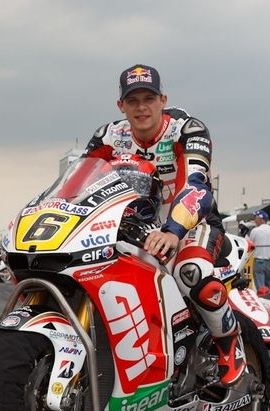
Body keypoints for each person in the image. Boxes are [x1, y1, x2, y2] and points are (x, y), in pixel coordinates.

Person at [84, 64, 244, 386]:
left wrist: (173, 231)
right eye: (133, 101)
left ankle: (230, 345)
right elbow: (81, 181)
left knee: (193, 272)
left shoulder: (188, 129)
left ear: (163, 99)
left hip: (191, 220)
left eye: (149, 98)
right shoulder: (108, 136)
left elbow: (198, 184)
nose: (142, 107)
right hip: (133, 225)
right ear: (121, 106)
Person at [248, 211, 270, 297]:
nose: (255, 221)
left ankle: (263, 304)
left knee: (260, 288)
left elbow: (250, 244)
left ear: (261, 219)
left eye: (256, 218)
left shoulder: (255, 231)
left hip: (259, 261)